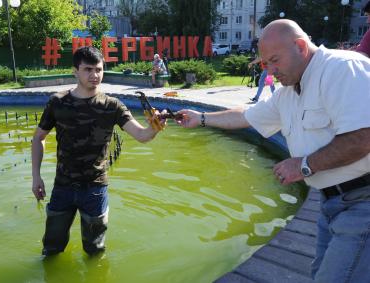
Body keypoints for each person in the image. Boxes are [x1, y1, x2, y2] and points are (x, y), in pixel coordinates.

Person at [176, 19, 370, 282]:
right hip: (333, 203)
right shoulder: (289, 91)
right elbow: (247, 115)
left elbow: (363, 137)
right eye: (265, 63)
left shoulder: (343, 69)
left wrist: (304, 165)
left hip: (362, 203)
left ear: (300, 47)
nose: (270, 70)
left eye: (274, 60)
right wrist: (200, 118)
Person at [31, 46, 165, 257]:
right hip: (62, 186)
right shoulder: (58, 102)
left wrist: (154, 127)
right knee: (51, 248)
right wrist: (36, 177)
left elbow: (141, 135)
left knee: (95, 251)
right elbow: (38, 138)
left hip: (95, 188)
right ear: (75, 71)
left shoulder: (112, 106)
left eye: (99, 69)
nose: (95, 75)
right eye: (88, 69)